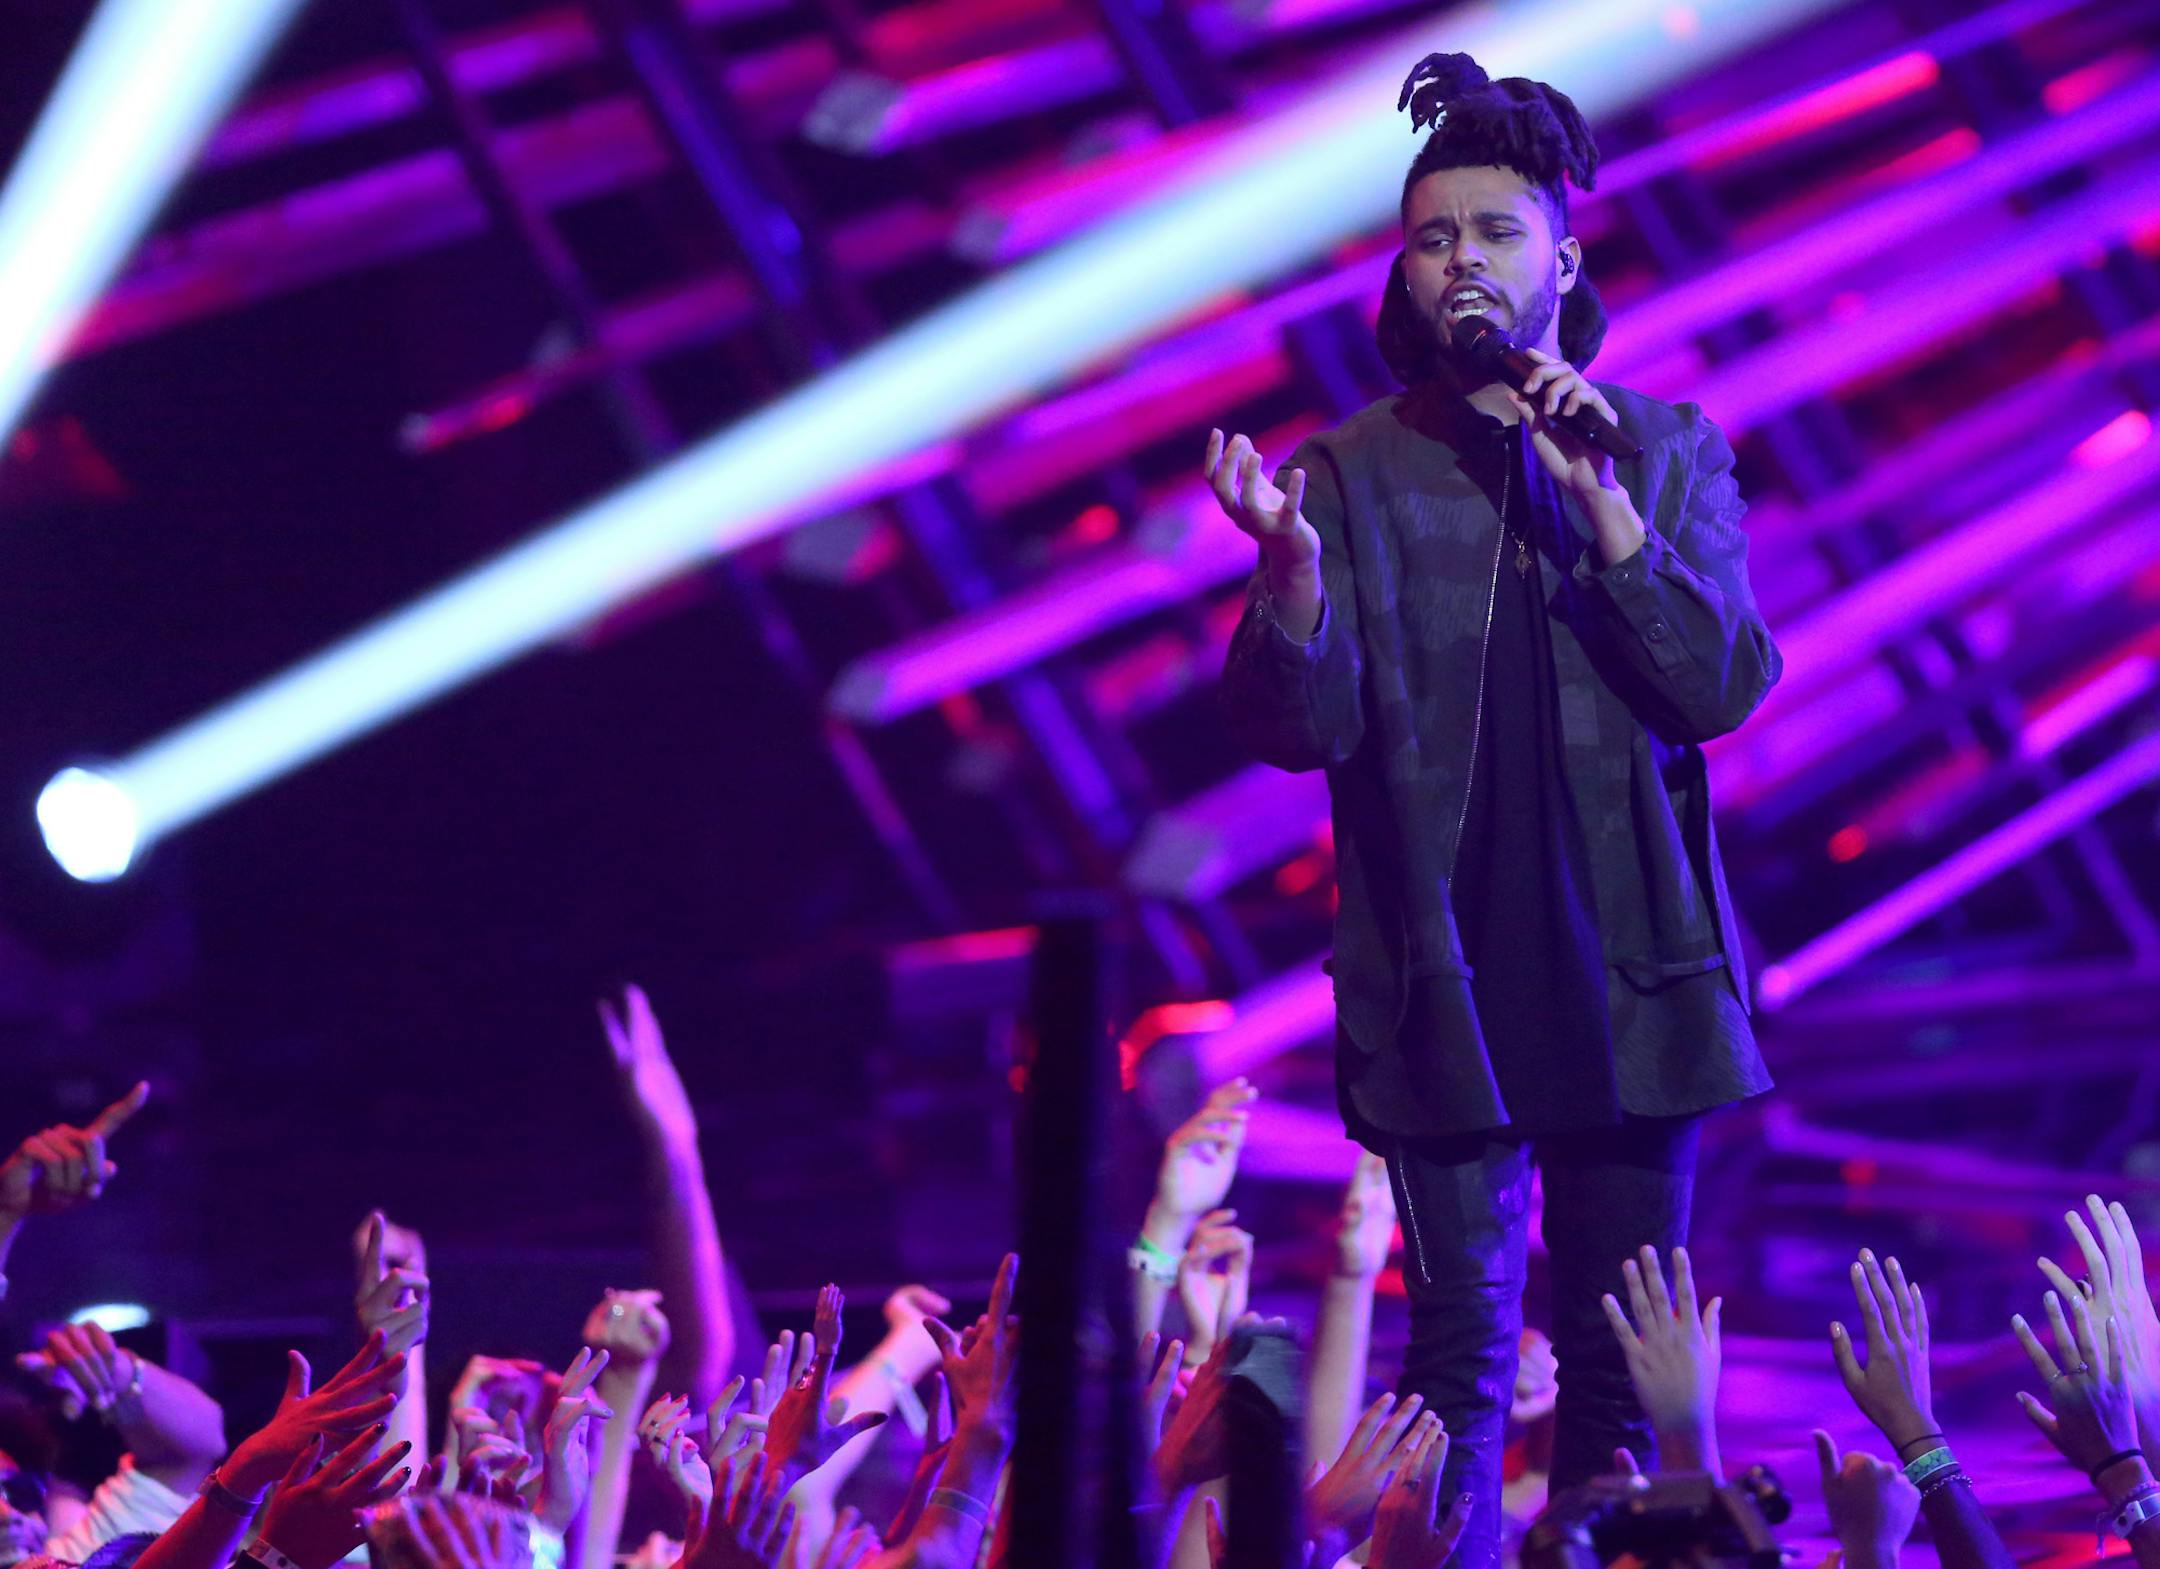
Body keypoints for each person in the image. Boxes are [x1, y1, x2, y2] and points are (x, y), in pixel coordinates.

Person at [1211, 49, 1782, 1569]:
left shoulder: (1662, 450)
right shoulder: (1349, 471)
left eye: (1494, 231)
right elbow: (1290, 726)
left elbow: (1723, 686)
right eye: (1433, 236)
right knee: (1457, 1365)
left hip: (1635, 976)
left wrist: (1609, 522)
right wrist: (1289, 578)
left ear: (1564, 256)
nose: (1461, 259)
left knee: (1609, 1375)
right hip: (1442, 975)